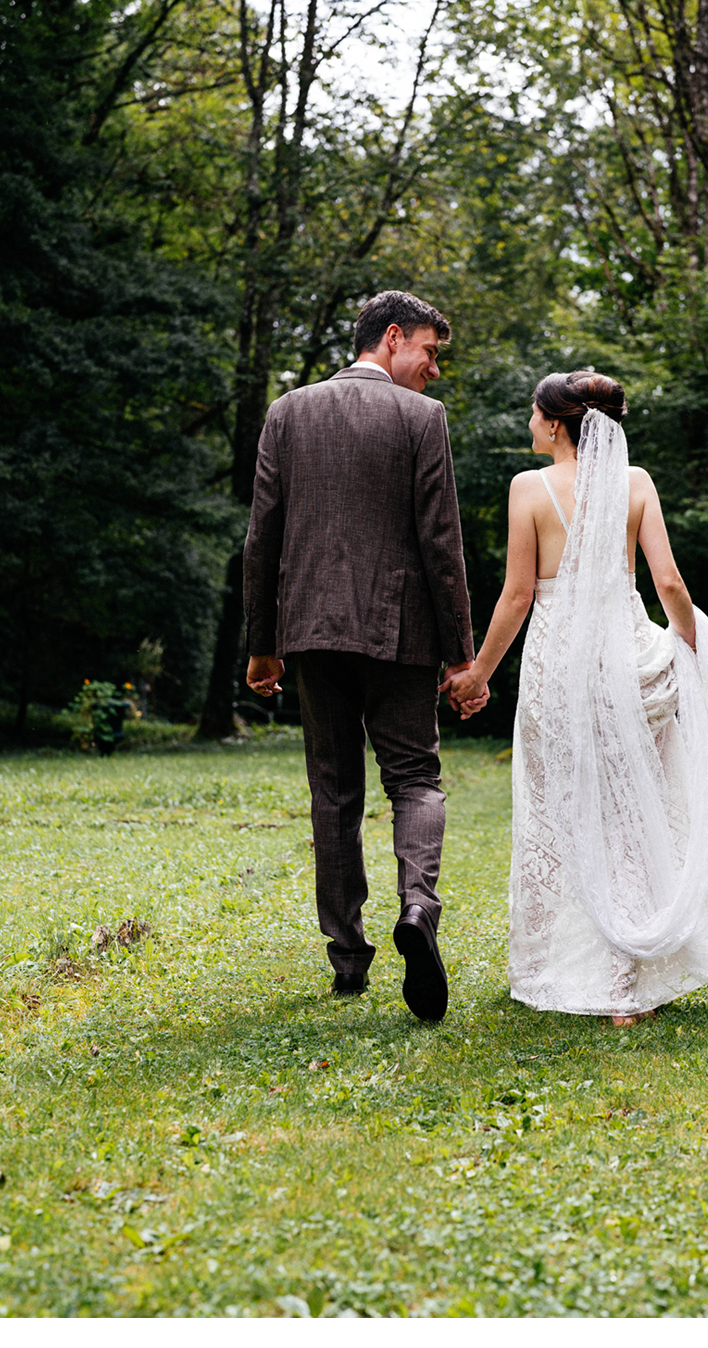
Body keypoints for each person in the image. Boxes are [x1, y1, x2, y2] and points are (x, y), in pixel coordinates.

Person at [444, 371, 708, 1023]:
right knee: (628, 811)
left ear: (555, 423)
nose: (529, 424)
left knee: (560, 812)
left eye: (534, 415)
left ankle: (564, 967)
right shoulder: (636, 483)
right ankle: (628, 982)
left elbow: (516, 595)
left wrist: (478, 674)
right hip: (627, 654)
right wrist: (694, 649)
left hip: (560, 661)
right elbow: (669, 582)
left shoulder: (528, 489)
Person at [244, 291, 477, 1023]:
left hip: (310, 629)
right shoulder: (421, 421)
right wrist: (460, 654)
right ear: (393, 336)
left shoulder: (287, 411)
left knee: (333, 790)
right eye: (431, 353)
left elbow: (263, 537)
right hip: (399, 631)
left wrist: (262, 643)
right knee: (414, 778)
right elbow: (442, 546)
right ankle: (418, 909)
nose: (435, 370)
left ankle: (348, 957)